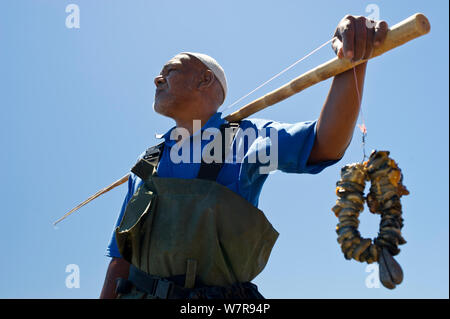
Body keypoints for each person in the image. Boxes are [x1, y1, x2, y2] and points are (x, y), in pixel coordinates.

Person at [99, 15, 388, 299]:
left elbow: (324, 143)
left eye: (170, 70)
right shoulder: (146, 162)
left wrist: (352, 62)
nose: (157, 78)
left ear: (205, 79)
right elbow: (120, 258)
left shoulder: (244, 139)